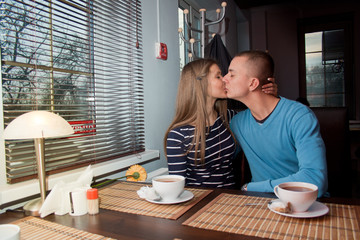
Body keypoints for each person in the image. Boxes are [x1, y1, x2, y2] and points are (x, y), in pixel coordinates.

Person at [222, 50, 328, 197]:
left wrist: (252, 187)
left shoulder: (299, 116)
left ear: (253, 83)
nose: (224, 79)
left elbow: (315, 181)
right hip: (259, 204)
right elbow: (221, 158)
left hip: (303, 203)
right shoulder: (237, 123)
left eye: (231, 75)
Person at [164, 58, 277, 188]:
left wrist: (268, 98)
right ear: (201, 84)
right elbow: (177, 187)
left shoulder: (229, 118)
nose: (224, 79)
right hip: (200, 201)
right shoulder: (178, 135)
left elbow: (266, 126)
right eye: (218, 76)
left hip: (231, 198)